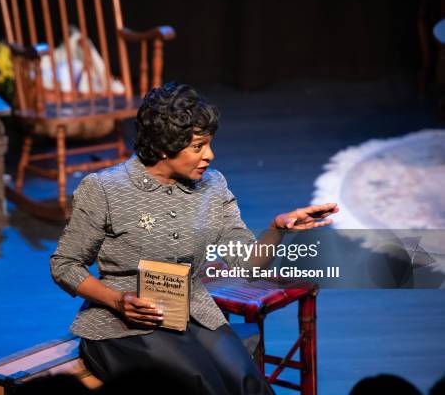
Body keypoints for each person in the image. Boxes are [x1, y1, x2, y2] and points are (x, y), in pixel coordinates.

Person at [50, 82, 338, 395]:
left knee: (249, 384)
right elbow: (65, 265)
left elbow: (247, 265)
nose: (210, 155)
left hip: (193, 314)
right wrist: (118, 301)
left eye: (209, 144)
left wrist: (277, 230)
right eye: (198, 146)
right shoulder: (105, 190)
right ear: (164, 146)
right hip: (121, 328)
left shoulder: (213, 187)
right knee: (201, 386)